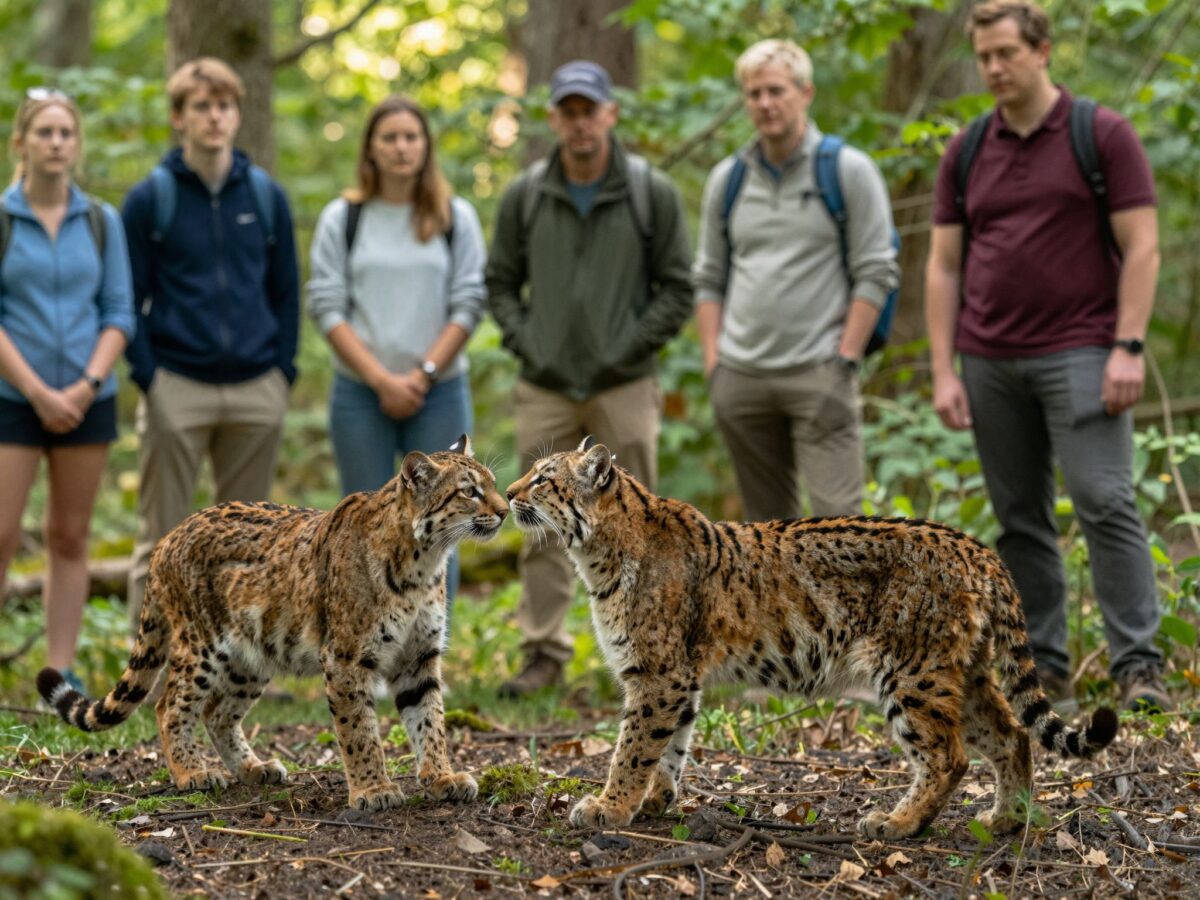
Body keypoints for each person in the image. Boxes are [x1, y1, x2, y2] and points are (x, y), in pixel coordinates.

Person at [925, 0, 1169, 710]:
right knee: (1020, 515)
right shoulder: (967, 148)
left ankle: (1139, 668)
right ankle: (1046, 670)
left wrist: (1128, 345)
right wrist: (944, 368)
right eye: (984, 56)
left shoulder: (1102, 134)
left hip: (1084, 349)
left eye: (1006, 52)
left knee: (1103, 496)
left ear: (1042, 51)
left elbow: (1143, 246)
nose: (994, 68)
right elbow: (943, 266)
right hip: (989, 358)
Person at [487, 60, 693, 696]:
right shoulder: (526, 194)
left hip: (623, 384)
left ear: (610, 114)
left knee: (638, 521)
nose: (580, 123)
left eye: (590, 110)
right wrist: (532, 344)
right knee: (535, 512)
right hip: (545, 384)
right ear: (554, 119)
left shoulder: (648, 191)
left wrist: (625, 348)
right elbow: (499, 284)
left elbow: (678, 288)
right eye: (568, 112)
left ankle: (651, 643)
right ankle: (543, 650)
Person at [122, 58, 300, 626]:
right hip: (178, 384)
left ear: (237, 114)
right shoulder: (151, 199)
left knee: (251, 548)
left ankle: (238, 675)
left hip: (256, 388)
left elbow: (287, 293)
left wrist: (282, 374)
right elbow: (127, 297)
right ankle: (150, 679)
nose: (215, 117)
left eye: (224, 106)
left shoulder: (266, 197)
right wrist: (150, 376)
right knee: (161, 542)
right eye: (201, 106)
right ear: (179, 117)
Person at [693, 39, 899, 522]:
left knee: (841, 535)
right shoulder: (728, 180)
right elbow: (708, 278)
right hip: (741, 378)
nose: (765, 103)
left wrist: (844, 360)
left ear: (805, 92)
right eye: (754, 93)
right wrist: (715, 368)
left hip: (819, 372)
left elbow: (877, 269)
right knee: (766, 543)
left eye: (776, 91)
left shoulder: (847, 170)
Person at [306, 95, 486, 605]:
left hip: (440, 391)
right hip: (360, 395)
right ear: (371, 148)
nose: (402, 147)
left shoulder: (456, 217)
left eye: (411, 137)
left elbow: (469, 301)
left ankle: (427, 660)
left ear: (426, 146)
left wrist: (424, 373)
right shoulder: (345, 218)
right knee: (365, 530)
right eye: (390, 137)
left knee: (444, 526)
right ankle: (366, 656)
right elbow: (326, 304)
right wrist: (382, 380)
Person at [0, 89, 135, 687]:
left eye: (66, 133)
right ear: (21, 143)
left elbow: (119, 310)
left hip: (89, 401)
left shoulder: (102, 222)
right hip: (13, 399)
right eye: (45, 132)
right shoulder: (3, 219)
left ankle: (60, 668)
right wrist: (36, 391)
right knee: (2, 533)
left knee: (70, 534)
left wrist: (85, 386)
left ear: (76, 145)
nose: (56, 143)